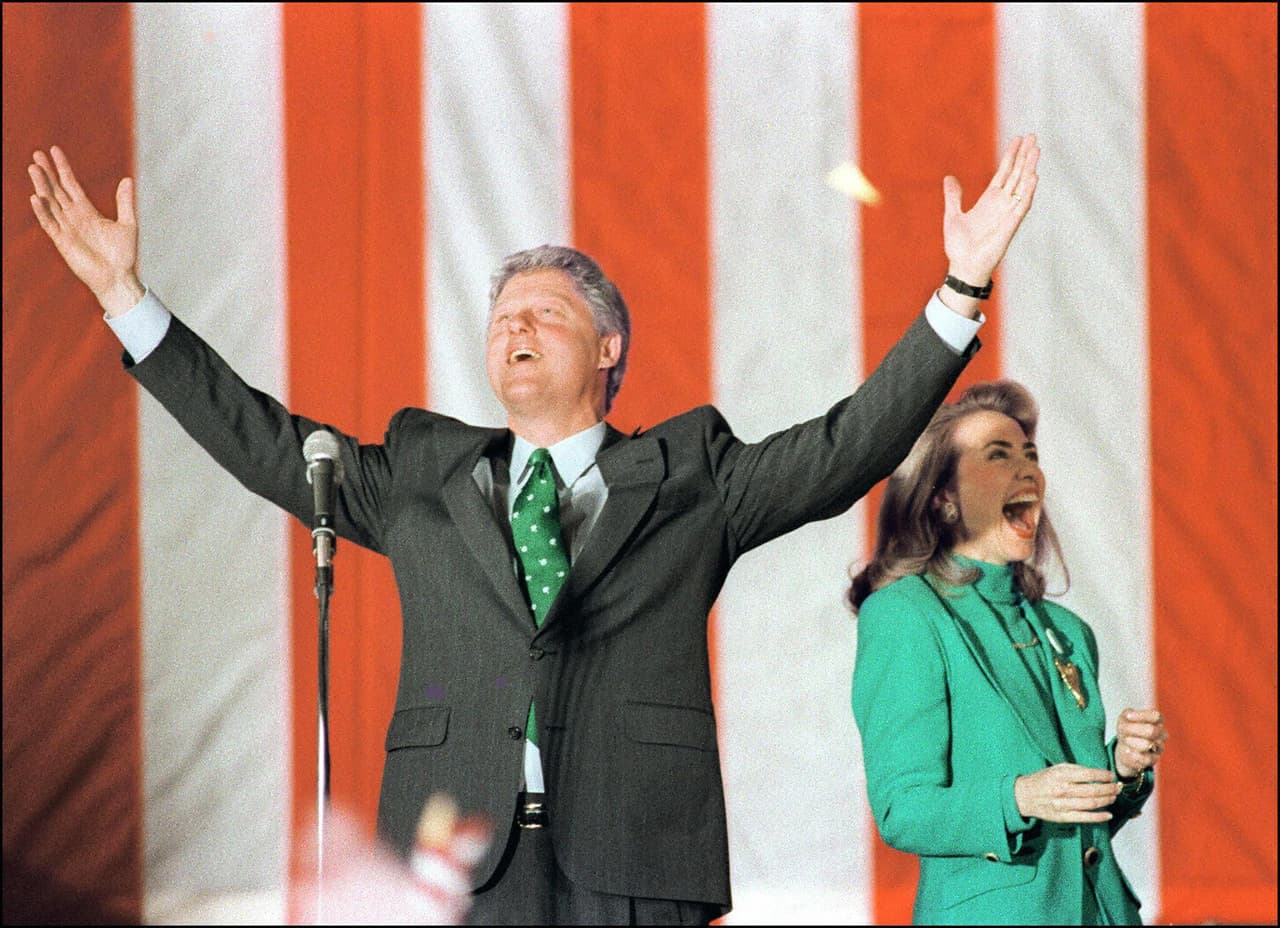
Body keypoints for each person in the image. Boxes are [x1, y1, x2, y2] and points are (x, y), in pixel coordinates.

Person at [28, 134, 1039, 925]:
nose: (514, 328)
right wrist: (125, 299)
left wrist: (958, 294)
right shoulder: (416, 474)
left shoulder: (692, 476)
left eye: (543, 313)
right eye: (502, 316)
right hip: (453, 861)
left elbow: (844, 446)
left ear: (607, 346)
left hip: (635, 860)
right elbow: (261, 438)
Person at [849, 380, 1168, 925]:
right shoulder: (905, 615)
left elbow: (1077, 835)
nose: (1028, 470)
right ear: (942, 497)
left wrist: (1122, 768)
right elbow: (902, 811)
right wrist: (1019, 797)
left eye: (1031, 455)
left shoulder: (1068, 631)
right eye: (998, 456)